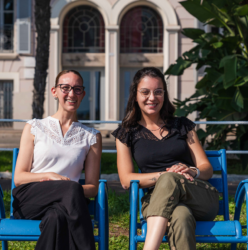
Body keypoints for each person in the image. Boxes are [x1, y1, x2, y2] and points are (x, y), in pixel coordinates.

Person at [112, 67, 219, 250]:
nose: (152, 98)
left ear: (164, 95)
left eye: (158, 92)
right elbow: (126, 179)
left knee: (170, 180)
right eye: (145, 92)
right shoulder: (126, 133)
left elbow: (206, 169)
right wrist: (166, 175)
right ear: (135, 95)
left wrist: (191, 170)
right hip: (156, 201)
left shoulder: (183, 126)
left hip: (198, 196)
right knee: (181, 216)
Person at [12, 70, 102, 250]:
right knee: (70, 189)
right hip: (32, 199)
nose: (71, 94)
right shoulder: (34, 127)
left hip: (68, 204)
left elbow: (92, 188)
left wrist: (70, 188)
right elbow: (19, 178)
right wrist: (50, 176)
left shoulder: (92, 136)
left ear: (83, 94)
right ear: (54, 91)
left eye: (77, 89)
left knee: (56, 218)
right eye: (65, 88)